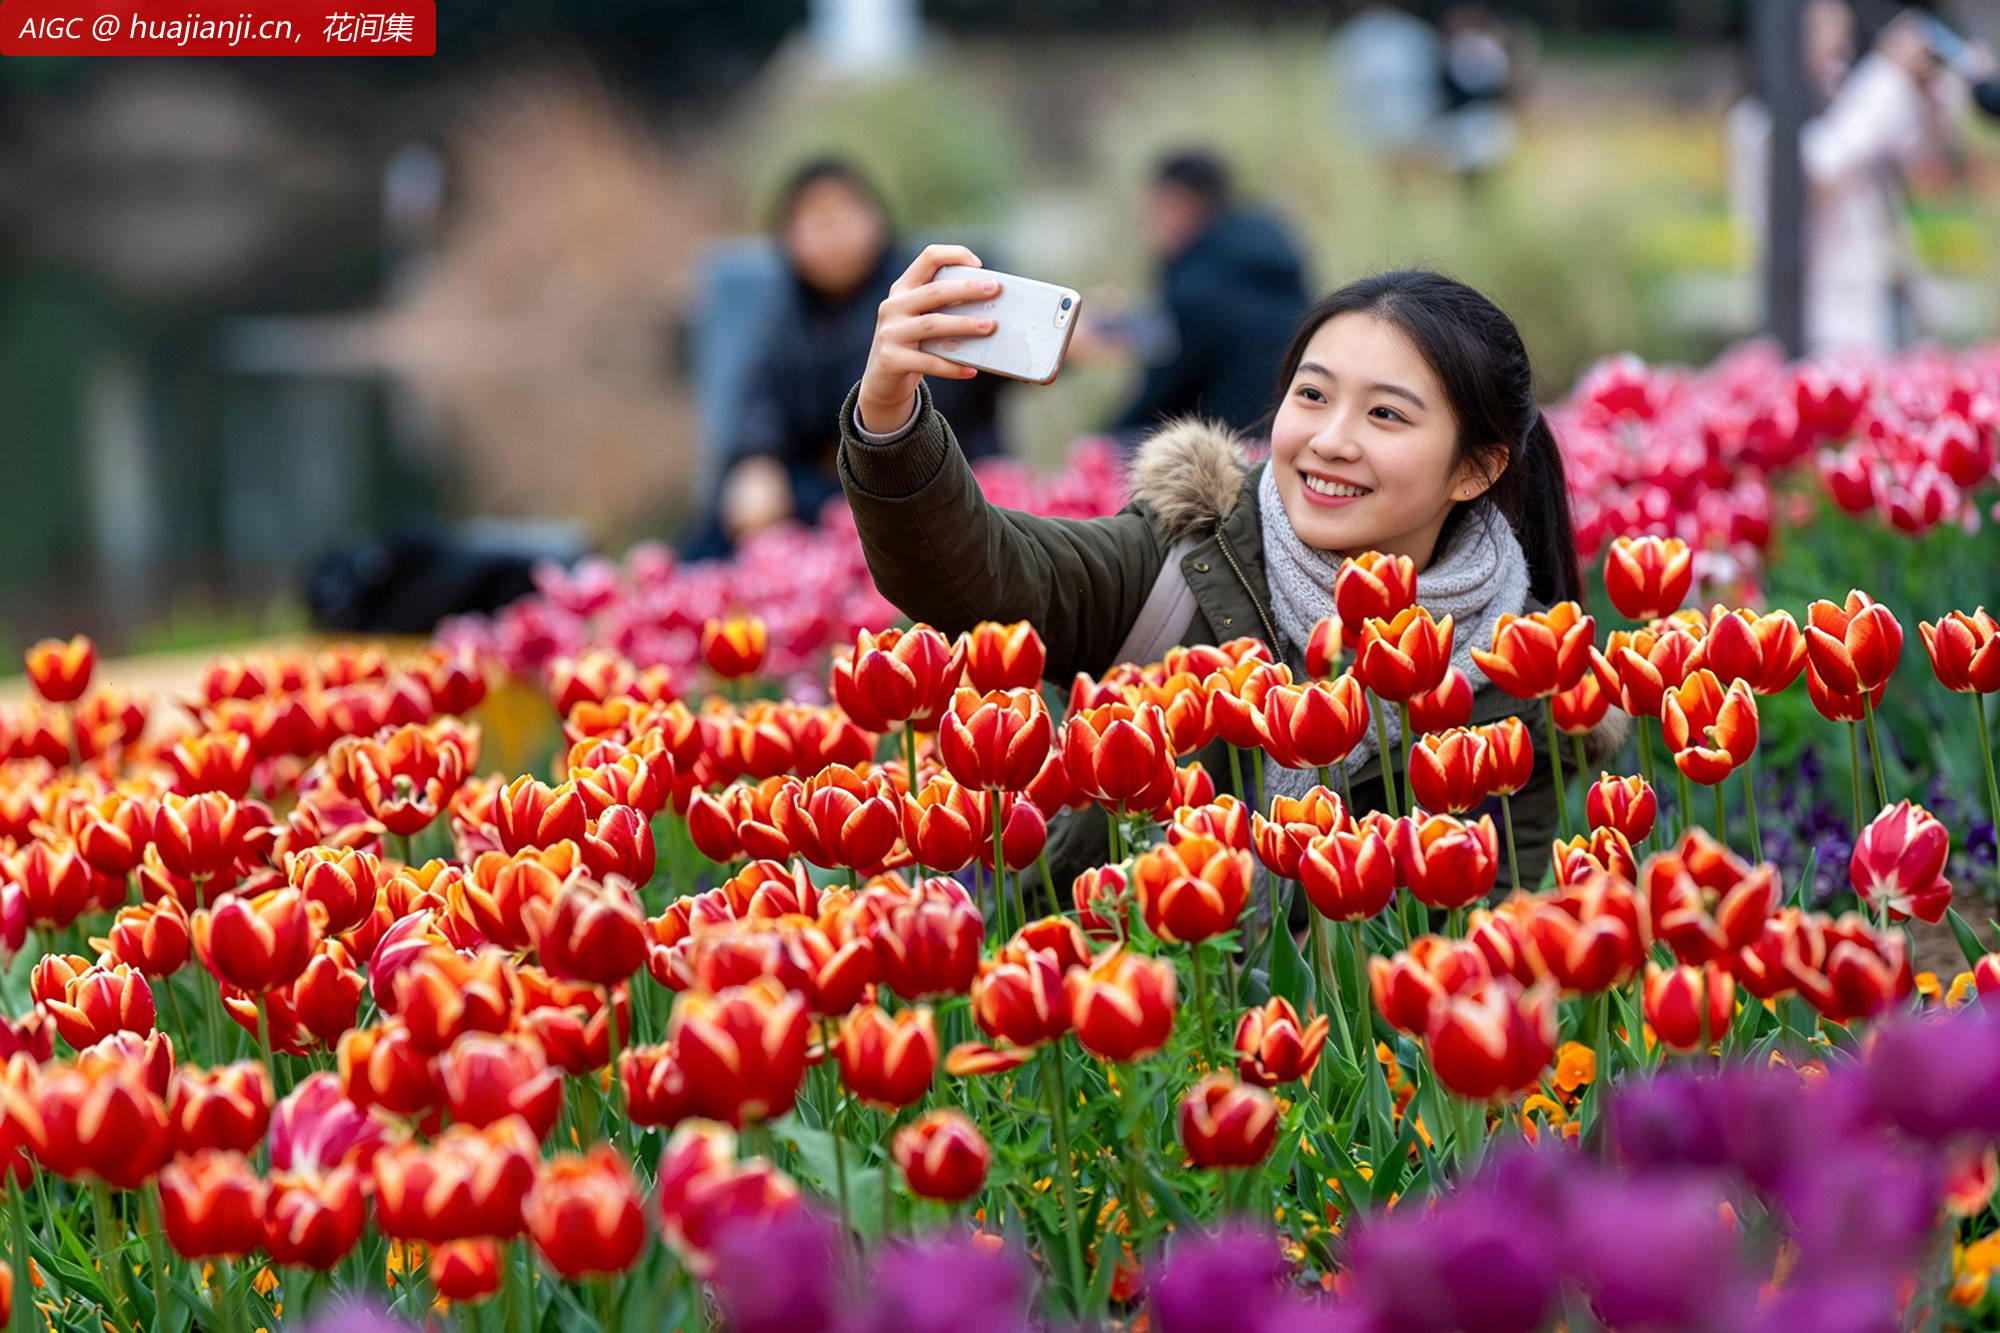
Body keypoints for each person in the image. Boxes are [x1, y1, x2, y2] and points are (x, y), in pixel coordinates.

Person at [839, 244, 1624, 896]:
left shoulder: (1516, 698)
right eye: (1311, 395)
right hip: (1123, 1036)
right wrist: (889, 418)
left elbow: (1494, 956)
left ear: (1475, 469)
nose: (1331, 440)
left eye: (1385, 414)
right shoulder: (1181, 559)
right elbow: (976, 577)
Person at [698, 159, 1002, 556]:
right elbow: (760, 395)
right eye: (816, 220)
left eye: (845, 213)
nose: (833, 232)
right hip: (820, 493)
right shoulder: (786, 309)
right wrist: (756, 461)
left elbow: (972, 373)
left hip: (928, 484)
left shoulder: (926, 289)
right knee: (713, 542)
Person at [1728, 4, 1968, 352]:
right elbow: (1821, 167)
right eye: (1821, 24)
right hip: (1813, 317)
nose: (1838, 38)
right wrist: (1886, 76)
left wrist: (1931, 88)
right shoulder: (1756, 118)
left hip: (1879, 307)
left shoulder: (1850, 99)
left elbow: (1920, 151)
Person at [1102, 152, 1310, 442]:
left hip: (1226, 445)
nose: (1150, 229)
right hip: (1288, 435)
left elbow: (1162, 397)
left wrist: (1100, 442)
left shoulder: (1195, 288)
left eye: (1154, 212)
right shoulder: (1274, 255)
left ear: (1180, 203)